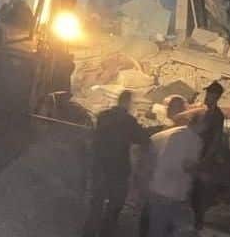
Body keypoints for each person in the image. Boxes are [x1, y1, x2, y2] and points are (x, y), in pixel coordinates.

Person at [82, 90, 151, 237]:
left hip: (99, 166)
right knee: (115, 205)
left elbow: (94, 137)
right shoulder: (128, 121)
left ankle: (88, 233)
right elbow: (143, 138)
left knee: (96, 204)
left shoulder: (103, 115)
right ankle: (105, 233)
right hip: (118, 169)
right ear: (128, 103)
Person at [139, 115, 204, 237]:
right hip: (170, 192)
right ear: (202, 125)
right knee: (166, 228)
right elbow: (176, 165)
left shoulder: (173, 133)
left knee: (158, 227)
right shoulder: (190, 139)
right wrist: (195, 169)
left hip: (160, 189)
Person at [192, 80, 226, 230]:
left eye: (210, 94)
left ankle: (196, 224)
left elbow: (215, 141)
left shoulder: (217, 116)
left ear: (216, 97)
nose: (206, 96)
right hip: (194, 156)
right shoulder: (202, 111)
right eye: (207, 93)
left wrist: (205, 161)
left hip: (203, 159)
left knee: (198, 192)